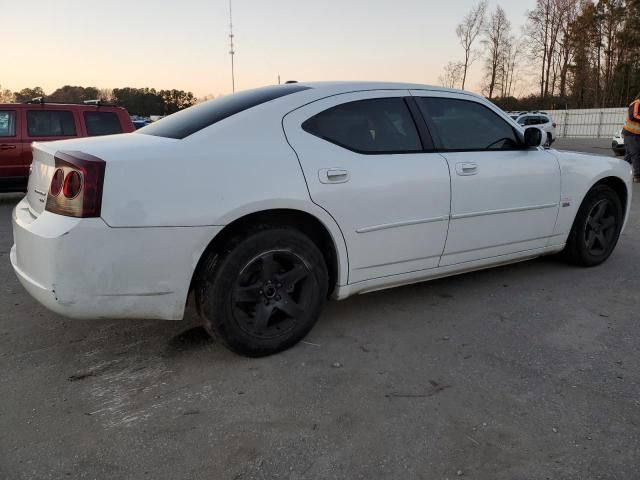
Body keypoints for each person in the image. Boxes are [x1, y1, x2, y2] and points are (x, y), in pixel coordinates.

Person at [623, 93, 640, 183]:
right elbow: (633, 116)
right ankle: (637, 176)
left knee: (630, 155)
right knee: (636, 153)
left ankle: (619, 171)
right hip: (631, 133)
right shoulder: (637, 103)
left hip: (635, 134)